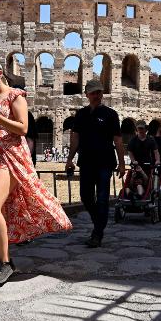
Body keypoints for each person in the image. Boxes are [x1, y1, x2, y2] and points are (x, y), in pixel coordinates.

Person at [0, 58, 72, 285]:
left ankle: (5, 263)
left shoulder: (15, 96)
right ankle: (3, 261)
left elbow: (23, 128)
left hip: (10, 155)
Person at [66, 80, 126, 248]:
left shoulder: (110, 114)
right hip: (86, 161)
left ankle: (97, 233)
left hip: (105, 162)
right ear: (87, 95)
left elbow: (118, 140)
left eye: (99, 92)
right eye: (93, 93)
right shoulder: (81, 114)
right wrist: (70, 159)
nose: (97, 95)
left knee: (102, 199)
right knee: (85, 196)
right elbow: (75, 137)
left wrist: (122, 163)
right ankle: (98, 221)